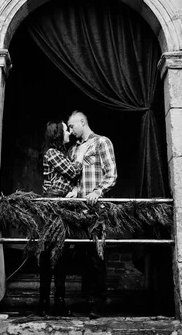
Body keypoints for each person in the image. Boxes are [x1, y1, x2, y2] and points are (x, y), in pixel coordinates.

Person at [67, 110, 117, 319]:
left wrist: (98, 191)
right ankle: (86, 301)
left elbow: (111, 173)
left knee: (97, 257)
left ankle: (99, 303)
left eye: (71, 126)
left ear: (82, 122)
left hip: (96, 211)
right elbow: (76, 180)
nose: (70, 131)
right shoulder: (74, 150)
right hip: (79, 211)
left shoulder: (101, 142)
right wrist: (74, 191)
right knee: (82, 256)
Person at [39, 120, 85, 316]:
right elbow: (74, 171)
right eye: (66, 130)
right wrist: (81, 156)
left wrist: (74, 188)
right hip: (54, 206)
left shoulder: (61, 154)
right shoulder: (52, 153)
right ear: (58, 134)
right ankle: (44, 303)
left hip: (61, 205)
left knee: (61, 254)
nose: (69, 132)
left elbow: (70, 178)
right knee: (50, 253)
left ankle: (58, 301)